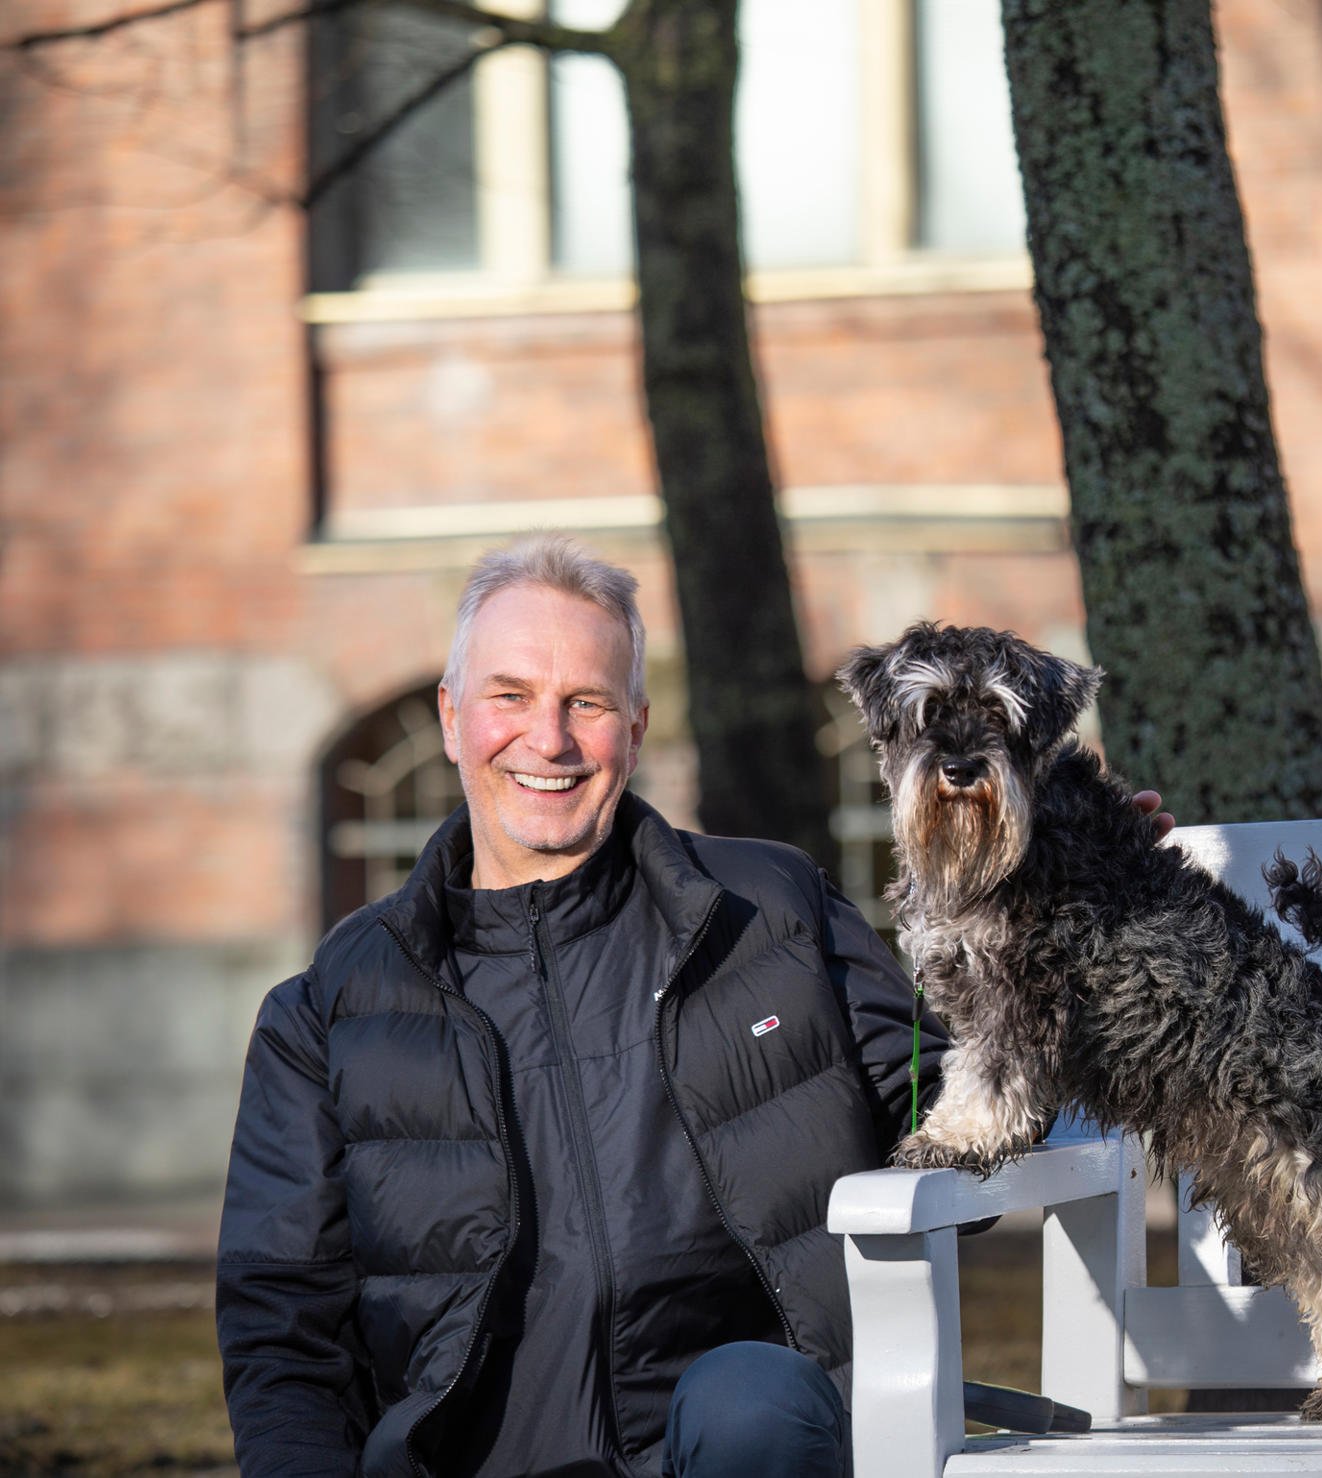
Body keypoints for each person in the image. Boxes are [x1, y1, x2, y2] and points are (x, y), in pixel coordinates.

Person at [216, 534, 1172, 1477]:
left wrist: (1065, 932)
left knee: (750, 1401)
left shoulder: (772, 913)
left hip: (743, 1442)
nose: (547, 740)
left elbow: (955, 1130)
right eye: (512, 697)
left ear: (633, 728)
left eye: (584, 703)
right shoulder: (333, 1008)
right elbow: (282, 1332)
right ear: (454, 717)